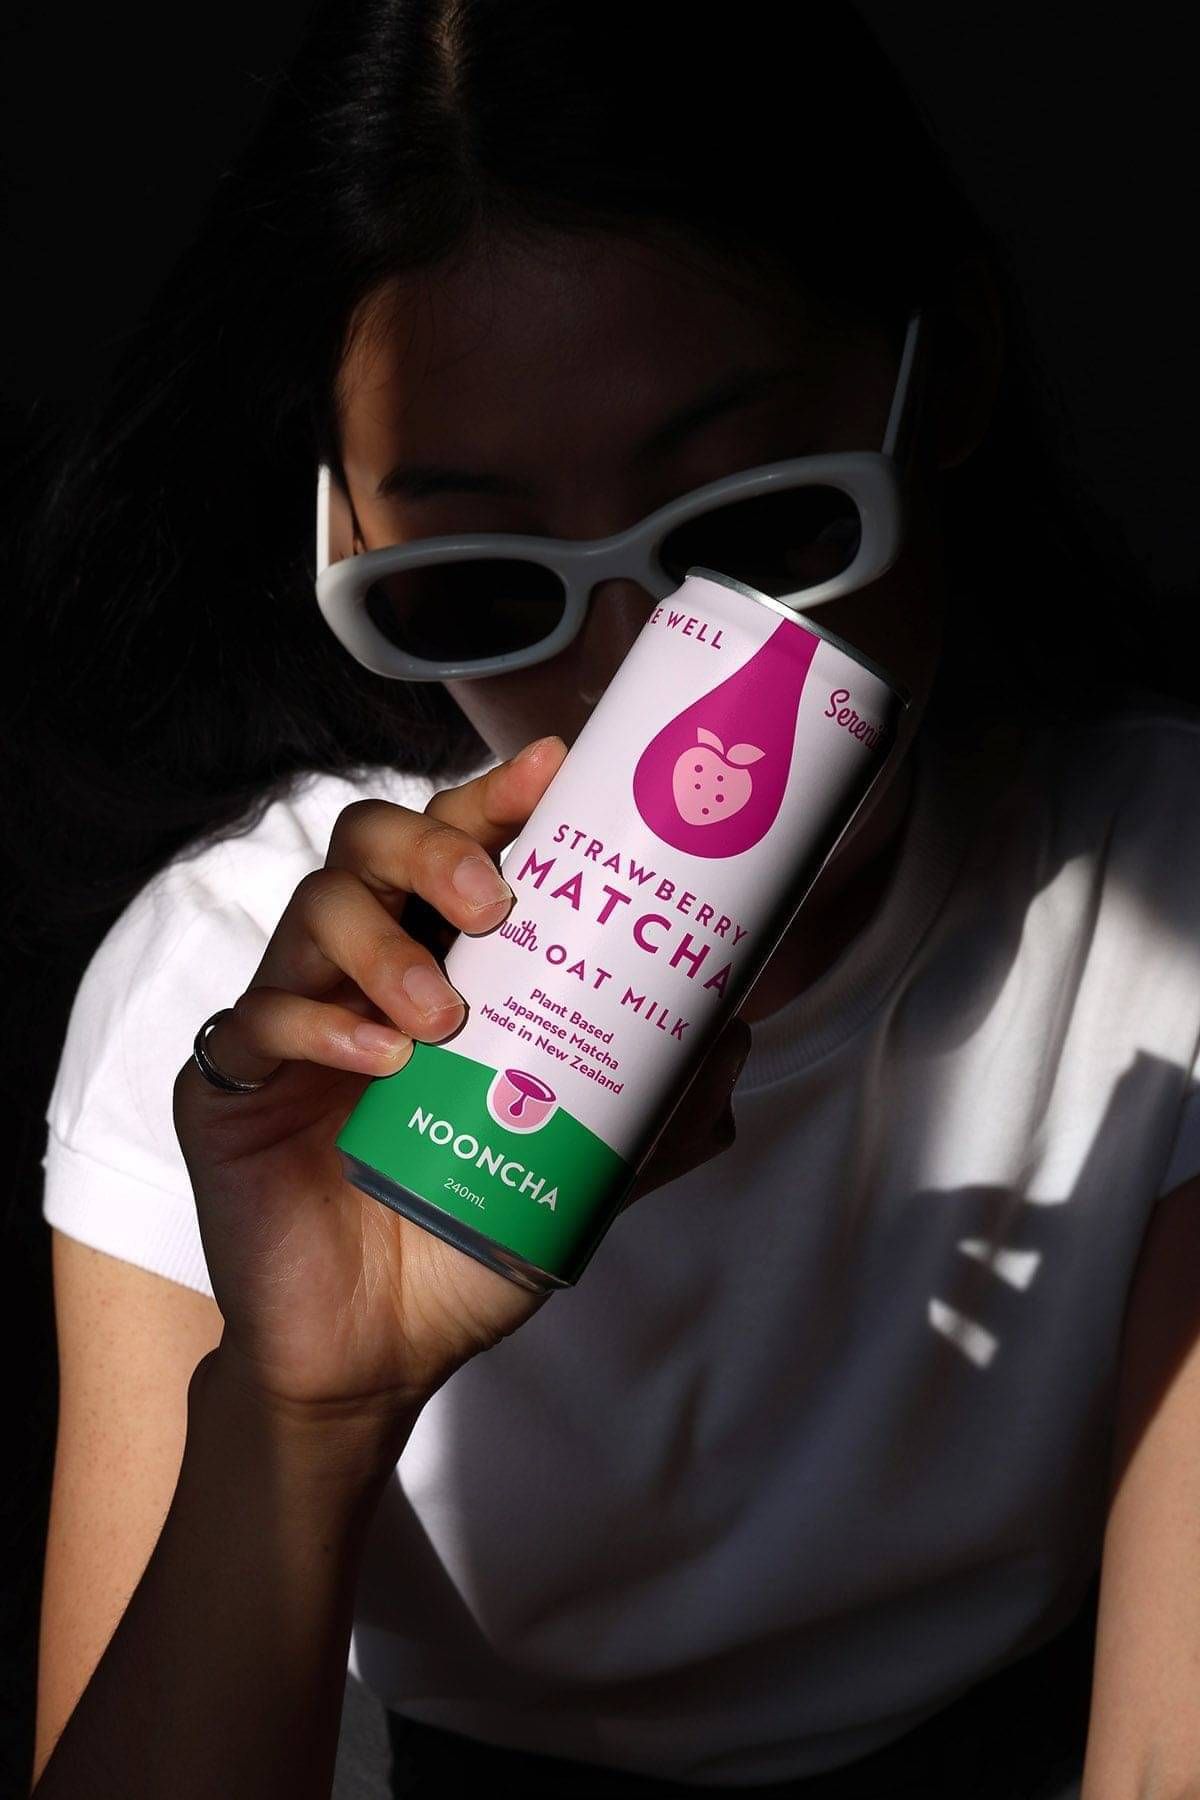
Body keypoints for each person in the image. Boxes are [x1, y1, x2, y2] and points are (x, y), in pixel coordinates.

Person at [13, 1, 1200, 1795]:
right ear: (350, 551)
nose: (645, 677)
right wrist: (303, 1412)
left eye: (758, 531)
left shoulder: (1164, 906)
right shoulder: (245, 1018)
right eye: (483, 588)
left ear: (942, 380)